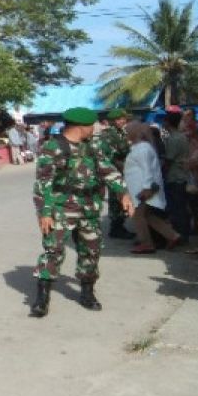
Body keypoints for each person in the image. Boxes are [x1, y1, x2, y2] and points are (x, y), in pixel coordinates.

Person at [31, 108, 134, 317]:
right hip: (61, 208)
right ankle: (42, 298)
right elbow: (44, 183)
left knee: (91, 250)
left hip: (89, 208)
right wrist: (45, 212)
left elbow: (107, 169)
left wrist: (123, 192)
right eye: (91, 126)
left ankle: (87, 292)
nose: (94, 129)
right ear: (81, 127)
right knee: (54, 250)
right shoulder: (53, 147)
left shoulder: (93, 145)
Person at [124, 122, 180, 254]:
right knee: (147, 216)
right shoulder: (139, 147)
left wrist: (146, 188)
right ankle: (172, 235)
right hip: (141, 188)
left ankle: (147, 243)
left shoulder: (143, 148)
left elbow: (147, 170)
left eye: (128, 131)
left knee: (138, 216)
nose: (126, 134)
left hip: (144, 189)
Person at [96, 109, 133, 239]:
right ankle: (116, 227)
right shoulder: (108, 134)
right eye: (119, 119)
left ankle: (119, 225)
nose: (122, 121)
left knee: (120, 196)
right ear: (112, 121)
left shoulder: (121, 132)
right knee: (116, 197)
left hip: (121, 168)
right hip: (113, 169)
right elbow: (113, 155)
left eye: (124, 118)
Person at [161, 111, 192, 240]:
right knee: (181, 207)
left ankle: (180, 234)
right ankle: (183, 233)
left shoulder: (174, 138)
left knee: (177, 208)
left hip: (175, 177)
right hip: (181, 175)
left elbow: (169, 159)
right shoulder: (181, 136)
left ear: (168, 122)